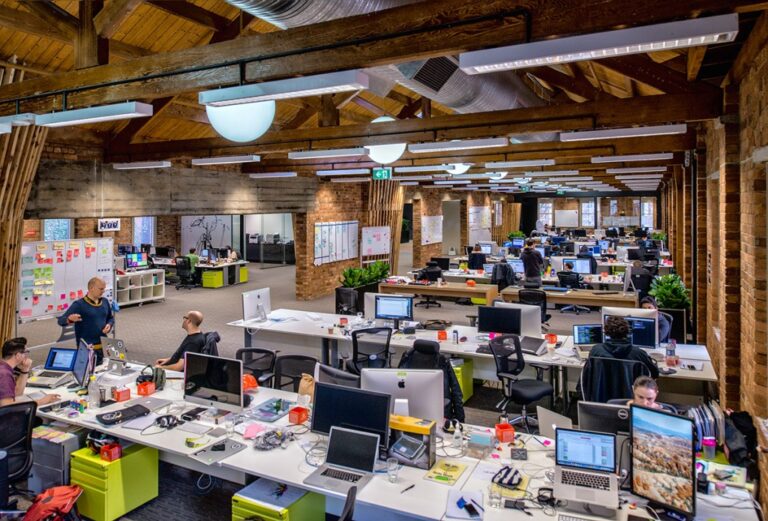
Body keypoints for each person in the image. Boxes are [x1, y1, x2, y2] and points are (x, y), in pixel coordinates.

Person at [57, 277, 114, 365]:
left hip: (103, 346)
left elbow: (110, 318)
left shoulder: (105, 302)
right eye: (101, 289)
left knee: (103, 370)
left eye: (104, 289)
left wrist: (109, 325)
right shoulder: (79, 305)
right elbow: (61, 321)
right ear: (91, 288)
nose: (103, 291)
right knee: (88, 372)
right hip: (87, 349)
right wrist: (69, 319)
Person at [589, 316, 659, 378]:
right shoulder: (639, 353)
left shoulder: (595, 350)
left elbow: (588, 374)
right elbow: (655, 373)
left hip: (602, 389)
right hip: (631, 389)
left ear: (606, 332)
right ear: (627, 331)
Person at [1, 337, 60, 406]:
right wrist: (43, 401)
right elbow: (7, 405)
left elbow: (17, 393)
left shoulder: (4, 367)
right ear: (18, 355)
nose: (27, 356)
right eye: (26, 352)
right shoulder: (4, 374)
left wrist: (25, 369)